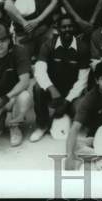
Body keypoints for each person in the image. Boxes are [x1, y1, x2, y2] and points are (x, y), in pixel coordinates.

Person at [29, 14, 91, 143]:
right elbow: (39, 71)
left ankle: (68, 115)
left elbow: (82, 81)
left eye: (70, 26)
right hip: (54, 92)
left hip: (72, 94)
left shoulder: (83, 48)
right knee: (37, 88)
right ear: (57, 28)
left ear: (75, 29)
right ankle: (42, 125)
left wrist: (66, 101)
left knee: (80, 107)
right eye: (64, 27)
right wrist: (52, 90)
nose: (67, 29)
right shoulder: (48, 45)